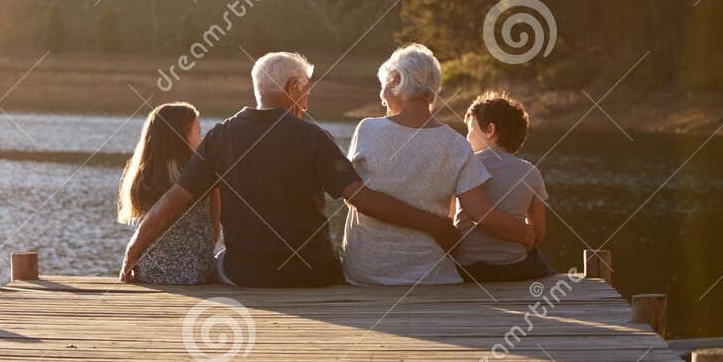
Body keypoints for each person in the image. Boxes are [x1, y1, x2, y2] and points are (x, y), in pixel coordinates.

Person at [120, 51, 460, 287]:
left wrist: (132, 253)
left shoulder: (220, 137)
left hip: (246, 275)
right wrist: (435, 225)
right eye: (306, 90)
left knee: (222, 260)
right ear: (293, 88)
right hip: (314, 274)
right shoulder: (313, 137)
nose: (307, 101)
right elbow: (361, 198)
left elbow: (173, 201)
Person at [341, 45, 534, 286]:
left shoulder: (367, 129)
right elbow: (480, 213)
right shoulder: (456, 144)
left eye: (383, 85)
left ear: (397, 80)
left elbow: (353, 195)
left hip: (366, 273)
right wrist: (525, 233)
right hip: (429, 275)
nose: (381, 97)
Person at [454, 91, 555, 282]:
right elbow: (539, 233)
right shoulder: (530, 172)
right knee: (541, 262)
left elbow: (451, 221)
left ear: (490, 130)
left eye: (469, 130)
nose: (466, 138)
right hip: (513, 268)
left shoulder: (463, 166)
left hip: (467, 270)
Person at [117, 102, 219, 284]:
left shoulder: (144, 177)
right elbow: (214, 234)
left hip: (152, 272)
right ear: (180, 136)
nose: (202, 140)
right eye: (199, 133)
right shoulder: (204, 175)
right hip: (196, 274)